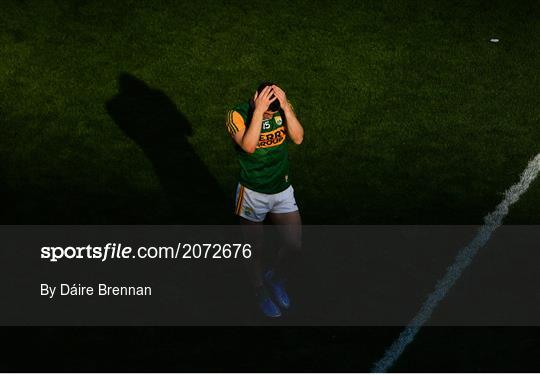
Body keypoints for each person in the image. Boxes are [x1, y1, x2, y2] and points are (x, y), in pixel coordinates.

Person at [225, 82, 304, 318]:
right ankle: (259, 290)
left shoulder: (282, 108)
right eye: (269, 109)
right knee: (254, 247)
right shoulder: (236, 115)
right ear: (256, 97)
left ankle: (276, 278)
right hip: (252, 193)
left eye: (274, 109)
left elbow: (298, 138)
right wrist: (259, 113)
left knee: (294, 244)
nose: (273, 113)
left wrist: (287, 109)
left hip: (281, 189)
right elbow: (248, 146)